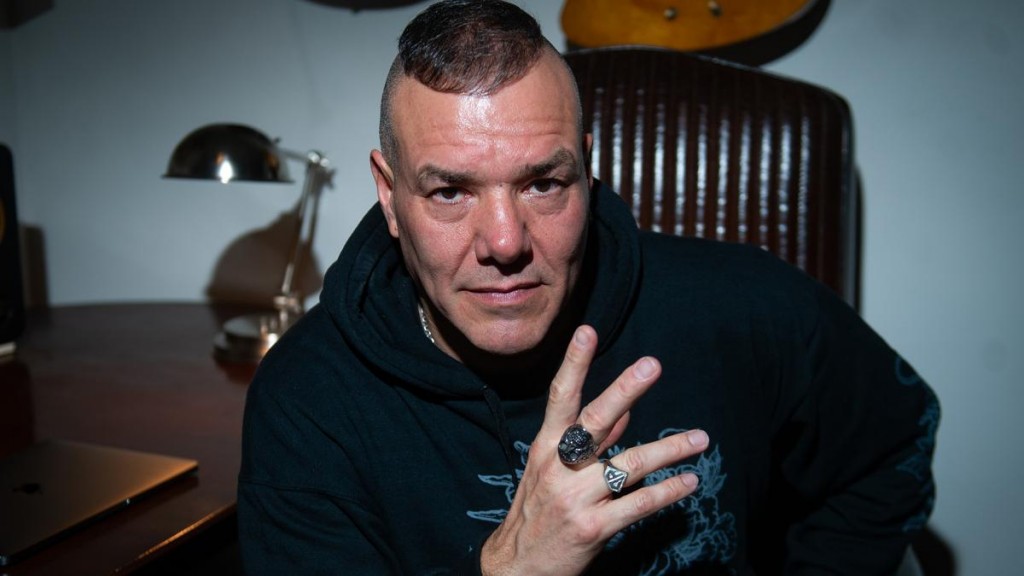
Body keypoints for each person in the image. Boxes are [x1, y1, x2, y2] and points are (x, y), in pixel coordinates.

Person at [237, 1, 939, 574]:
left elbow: (893, 444)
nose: (505, 243)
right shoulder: (308, 401)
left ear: (587, 169)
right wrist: (515, 569)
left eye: (543, 183)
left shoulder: (747, 306)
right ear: (390, 197)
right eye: (450, 192)